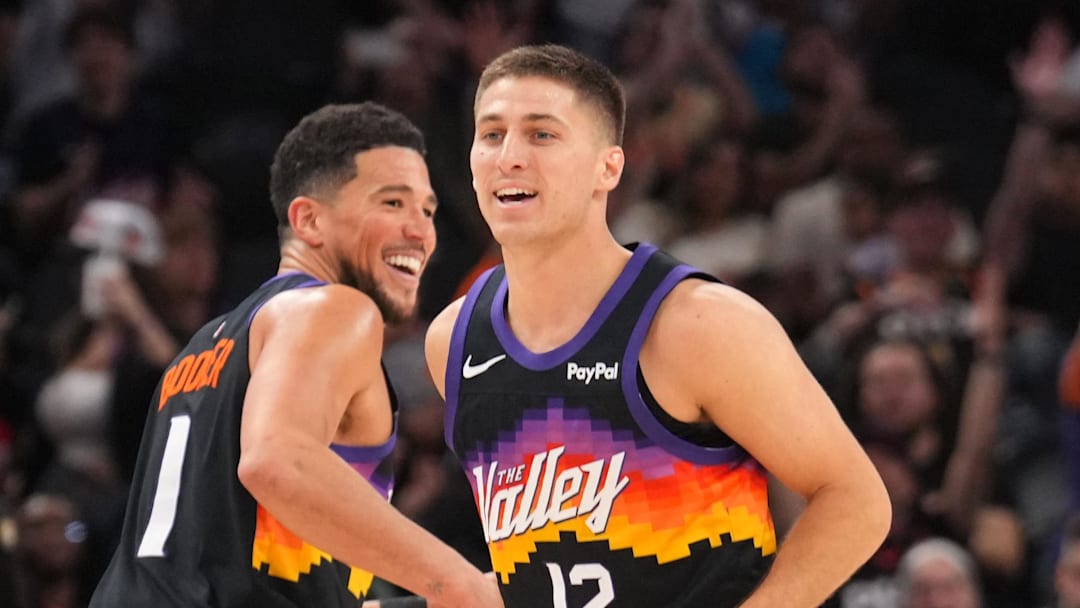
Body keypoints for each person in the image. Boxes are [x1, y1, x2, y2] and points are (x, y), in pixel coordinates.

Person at [424, 44, 891, 607]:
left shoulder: (696, 322)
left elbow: (857, 501)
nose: (509, 157)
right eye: (492, 134)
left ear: (609, 167)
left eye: (542, 134)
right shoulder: (452, 341)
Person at [89, 102, 503, 608]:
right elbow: (276, 460)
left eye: (428, 210)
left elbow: (255, 584)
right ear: (308, 220)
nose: (421, 231)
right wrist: (458, 584)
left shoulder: (198, 353)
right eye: (392, 204)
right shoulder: (330, 308)